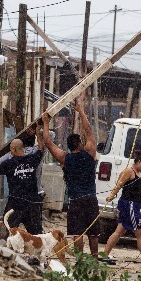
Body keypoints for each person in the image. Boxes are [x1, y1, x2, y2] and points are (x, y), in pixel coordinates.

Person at [42, 93, 100, 257]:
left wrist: (46, 122)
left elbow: (48, 142)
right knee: (93, 232)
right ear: (80, 144)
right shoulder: (89, 153)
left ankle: (81, 259)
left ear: (68, 146)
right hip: (90, 198)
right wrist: (80, 111)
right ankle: (94, 258)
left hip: (75, 200)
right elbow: (89, 131)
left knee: (78, 233)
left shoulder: (64, 158)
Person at [103, 150, 141, 268]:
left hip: (134, 205)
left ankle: (104, 255)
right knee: (140, 233)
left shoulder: (139, 173)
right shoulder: (129, 171)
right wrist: (111, 196)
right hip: (129, 205)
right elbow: (119, 184)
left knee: (119, 232)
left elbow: (138, 188)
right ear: (139, 162)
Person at [0, 124, 45, 235]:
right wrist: (38, 133)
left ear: (13, 149)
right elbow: (41, 148)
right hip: (32, 203)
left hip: (15, 204)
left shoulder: (9, 163)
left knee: (7, 231)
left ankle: (6, 250)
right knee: (37, 235)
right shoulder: (31, 159)